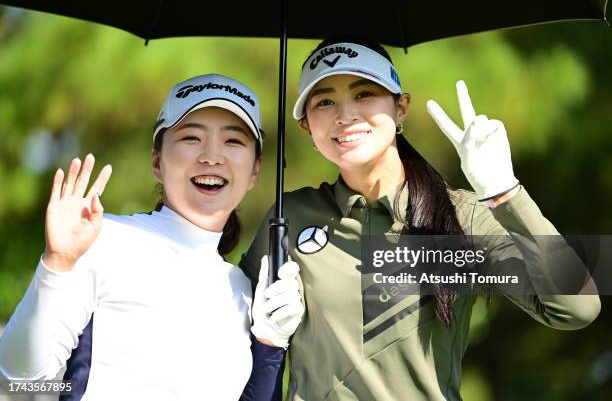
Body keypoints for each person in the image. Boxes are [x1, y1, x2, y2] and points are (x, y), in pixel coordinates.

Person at [239, 37, 601, 400]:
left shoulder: (463, 215)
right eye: (325, 101)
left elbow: (576, 308)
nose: (345, 115)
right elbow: (236, 344)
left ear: (401, 108)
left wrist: (506, 194)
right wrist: (267, 337)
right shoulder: (290, 217)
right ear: (307, 127)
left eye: (364, 94)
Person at [0, 74, 304, 400]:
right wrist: (56, 265)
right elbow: (21, 377)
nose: (212, 156)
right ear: (157, 161)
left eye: (233, 141)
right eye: (191, 138)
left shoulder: (244, 290)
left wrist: (271, 345)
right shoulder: (100, 239)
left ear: (255, 171)